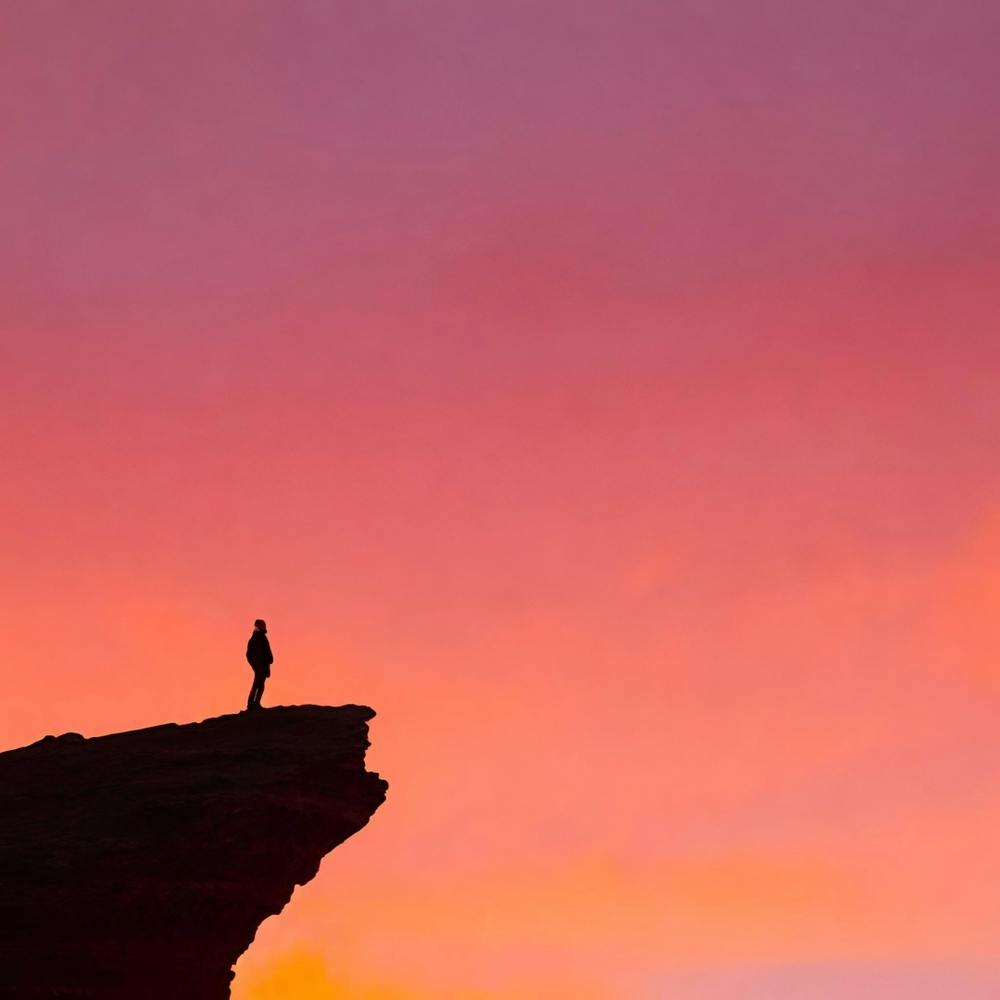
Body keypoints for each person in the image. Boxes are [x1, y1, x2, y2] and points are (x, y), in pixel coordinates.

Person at [245, 618, 273, 711]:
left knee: (260, 685)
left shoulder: (258, 638)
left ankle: (255, 703)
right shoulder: (257, 638)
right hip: (260, 666)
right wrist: (255, 665)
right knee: (258, 684)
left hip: (262, 666)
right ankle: (251, 704)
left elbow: (266, 652)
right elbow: (249, 655)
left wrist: (269, 660)